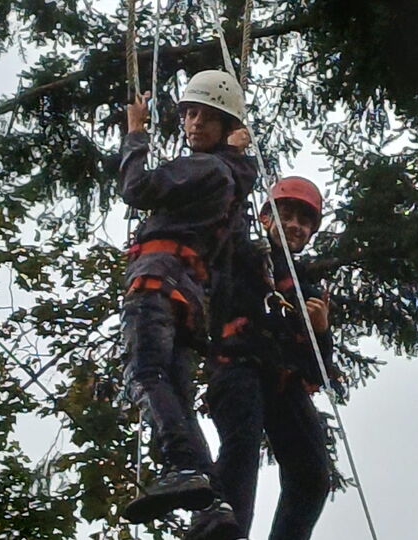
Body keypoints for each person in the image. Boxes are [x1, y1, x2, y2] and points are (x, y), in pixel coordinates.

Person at [119, 70, 256, 525]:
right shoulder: (231, 179)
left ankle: (182, 466)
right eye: (189, 114)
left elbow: (137, 189)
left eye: (204, 116)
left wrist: (136, 134)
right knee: (174, 389)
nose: (193, 124)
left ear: (223, 124)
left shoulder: (205, 167)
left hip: (159, 281)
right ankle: (214, 504)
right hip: (187, 295)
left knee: (145, 372)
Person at [187, 176, 342, 540]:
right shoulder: (243, 255)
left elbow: (319, 365)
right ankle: (224, 531)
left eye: (304, 222)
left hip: (282, 381)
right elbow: (226, 220)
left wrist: (320, 329)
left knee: (313, 475)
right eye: (286, 216)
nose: (295, 226)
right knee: (241, 450)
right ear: (266, 219)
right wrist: (235, 164)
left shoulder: (307, 287)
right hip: (237, 367)